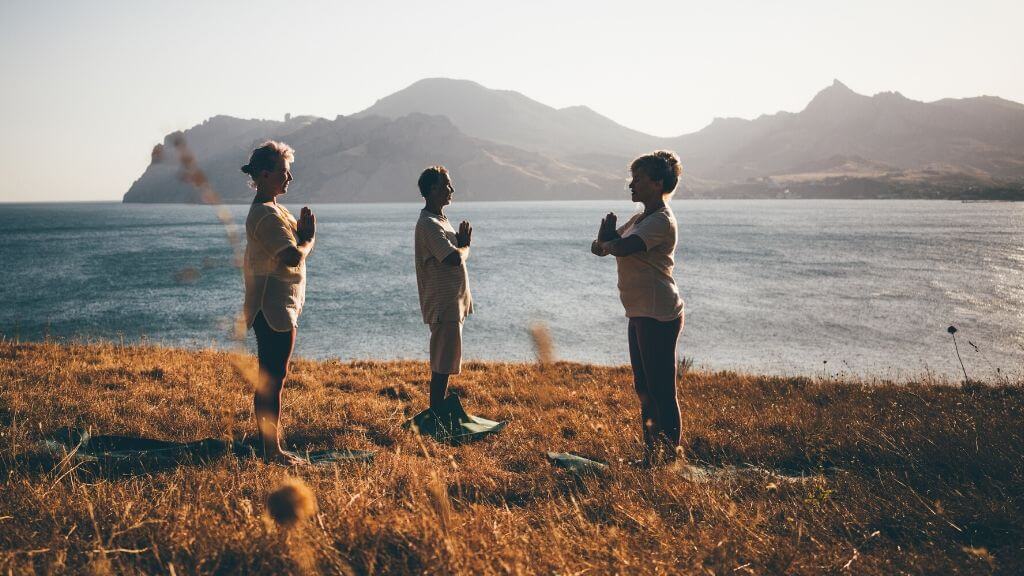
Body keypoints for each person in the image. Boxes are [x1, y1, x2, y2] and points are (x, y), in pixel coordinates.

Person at [591, 150, 685, 465]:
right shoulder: (641, 217)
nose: (631, 185)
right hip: (639, 311)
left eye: (638, 179)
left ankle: (668, 460)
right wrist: (603, 240)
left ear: (658, 183)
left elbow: (623, 247)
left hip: (658, 312)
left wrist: (607, 242)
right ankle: (650, 456)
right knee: (644, 388)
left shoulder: (661, 220)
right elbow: (604, 247)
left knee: (661, 390)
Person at [241, 141, 315, 465]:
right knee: (273, 378)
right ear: (266, 174)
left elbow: (292, 245)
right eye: (285, 172)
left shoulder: (275, 210)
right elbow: (290, 255)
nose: (290, 178)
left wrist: (302, 236)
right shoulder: (265, 215)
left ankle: (269, 446)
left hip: (279, 306)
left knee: (274, 376)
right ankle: (272, 450)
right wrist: (309, 240)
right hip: (272, 309)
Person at [414, 166, 473, 411]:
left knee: (446, 362)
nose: (452, 189)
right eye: (447, 185)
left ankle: (438, 414)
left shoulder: (440, 220)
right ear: (433, 190)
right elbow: (452, 258)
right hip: (442, 306)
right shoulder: (428, 224)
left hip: (452, 305)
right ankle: (436, 417)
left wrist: (459, 242)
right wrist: (465, 246)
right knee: (441, 365)